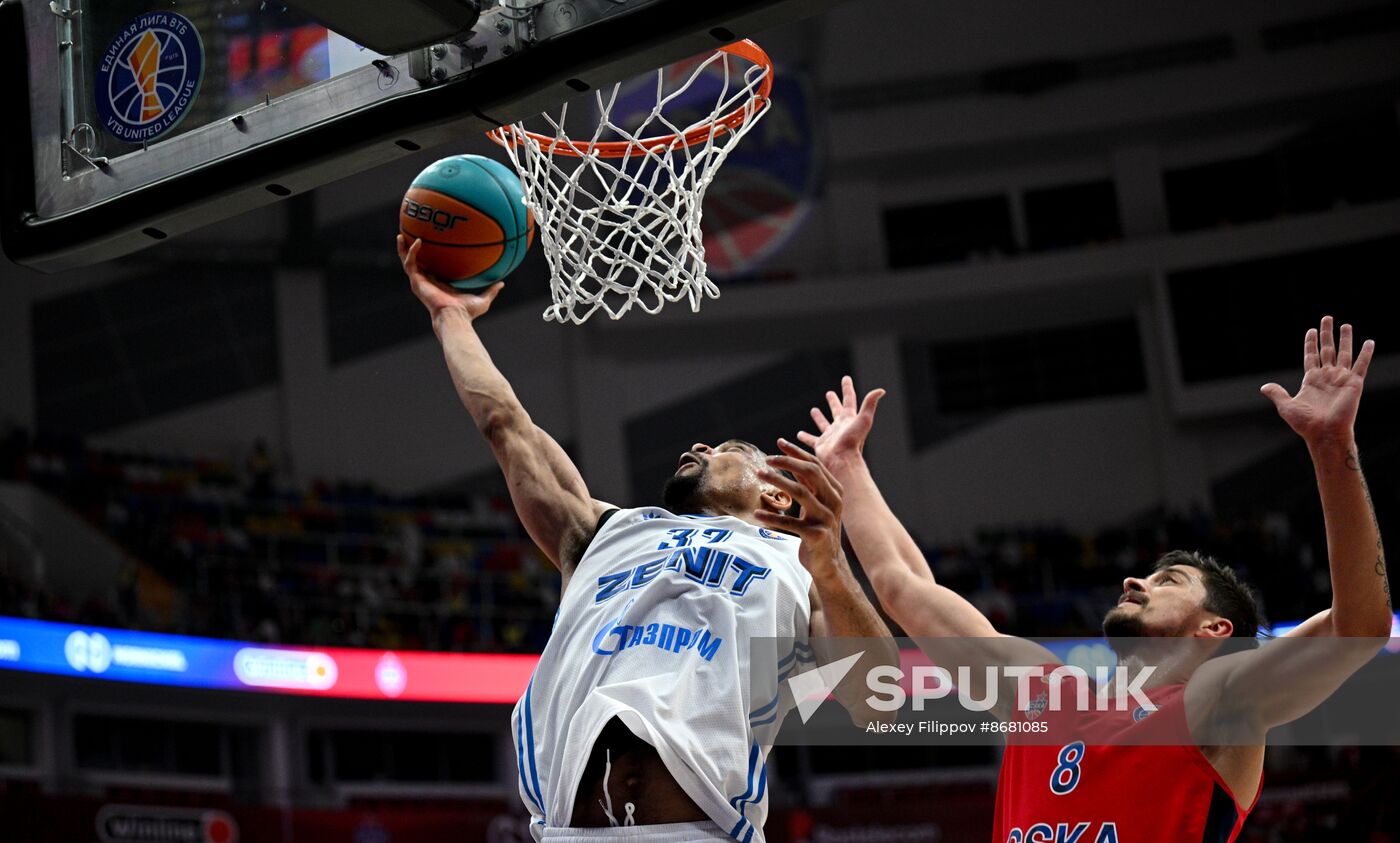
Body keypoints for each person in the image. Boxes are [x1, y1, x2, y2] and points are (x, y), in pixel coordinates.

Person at [801, 317, 1389, 843]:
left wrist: (1331, 446)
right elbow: (902, 586)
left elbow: (1357, 629)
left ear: (1217, 628)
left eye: (1170, 580)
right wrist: (846, 465)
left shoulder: (1217, 701)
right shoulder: (1042, 691)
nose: (1135, 581)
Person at [398, 235, 894, 843]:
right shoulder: (605, 532)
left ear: (776, 497)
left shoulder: (799, 566)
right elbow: (507, 425)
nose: (699, 449)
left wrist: (832, 561)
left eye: (727, 451)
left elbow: (879, 703)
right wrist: (449, 316)